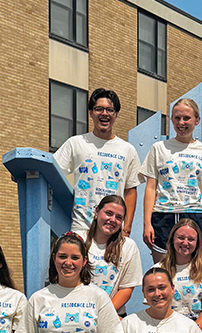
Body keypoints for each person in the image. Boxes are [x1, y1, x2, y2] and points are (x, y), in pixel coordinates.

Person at [141, 97, 202, 258]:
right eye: (177, 118)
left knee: (194, 273)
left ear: (197, 120)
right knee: (163, 272)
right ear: (171, 119)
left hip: (195, 215)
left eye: (187, 118)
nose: (181, 123)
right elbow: (150, 188)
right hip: (163, 216)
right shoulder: (159, 149)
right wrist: (147, 223)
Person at [54, 88, 141, 236]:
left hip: (113, 231)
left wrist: (126, 229)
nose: (104, 114)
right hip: (81, 229)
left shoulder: (128, 150)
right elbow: (52, 171)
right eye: (99, 109)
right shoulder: (76, 143)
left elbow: (131, 190)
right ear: (90, 113)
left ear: (116, 115)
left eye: (110, 110)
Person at [83, 195, 143, 313]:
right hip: (80, 315)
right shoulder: (80, 239)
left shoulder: (128, 246)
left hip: (113, 314)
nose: (113, 220)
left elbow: (127, 289)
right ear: (96, 212)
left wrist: (104, 314)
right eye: (108, 213)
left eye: (119, 217)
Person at [162, 218, 202, 332]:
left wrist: (193, 330)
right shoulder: (159, 270)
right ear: (172, 240)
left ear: (198, 242)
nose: (185, 243)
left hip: (198, 326)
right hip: (169, 327)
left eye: (191, 239)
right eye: (181, 238)